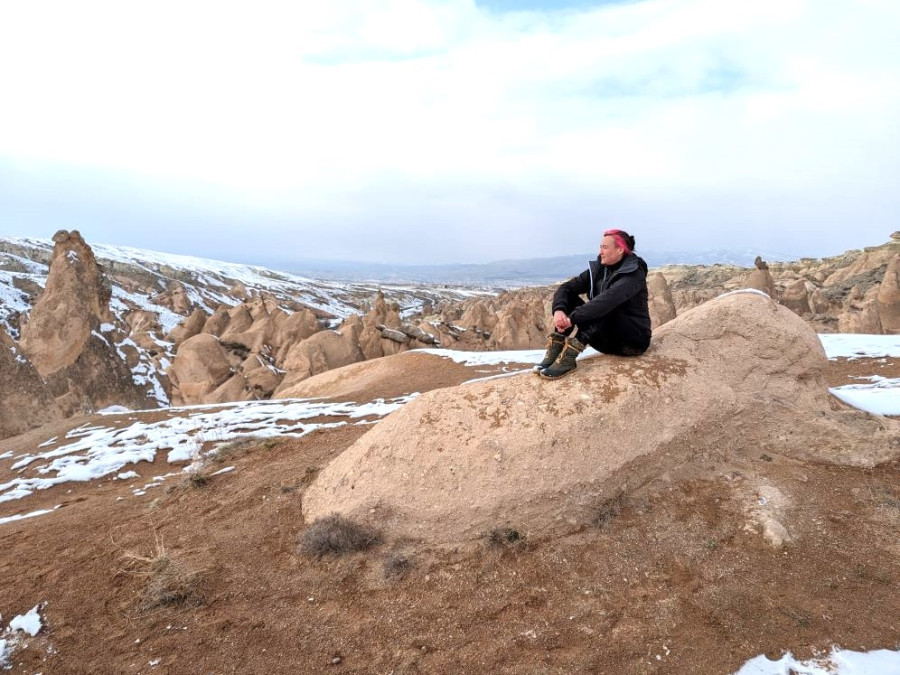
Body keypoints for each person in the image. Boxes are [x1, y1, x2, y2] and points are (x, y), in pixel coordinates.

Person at [536, 228, 652, 378]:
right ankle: (554, 352)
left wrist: (571, 319)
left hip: (632, 341)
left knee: (605, 305)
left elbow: (607, 301)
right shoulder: (599, 269)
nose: (600, 252)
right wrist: (559, 311)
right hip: (606, 338)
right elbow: (566, 288)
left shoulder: (634, 273)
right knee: (570, 296)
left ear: (619, 250)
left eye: (605, 247)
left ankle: (569, 357)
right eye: (600, 247)